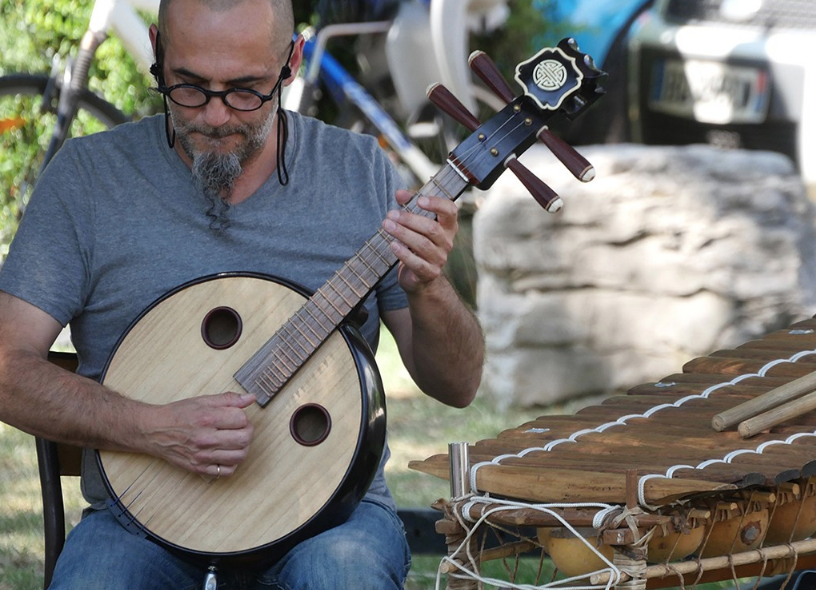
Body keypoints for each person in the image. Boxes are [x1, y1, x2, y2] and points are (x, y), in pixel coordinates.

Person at [0, 0, 484, 586]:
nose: (214, 114)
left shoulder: (359, 172)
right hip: (142, 523)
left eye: (246, 89)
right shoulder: (89, 180)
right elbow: (6, 368)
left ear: (292, 62)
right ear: (157, 51)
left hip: (328, 520)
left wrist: (429, 288)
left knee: (340, 574)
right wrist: (151, 428)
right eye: (188, 86)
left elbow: (457, 386)